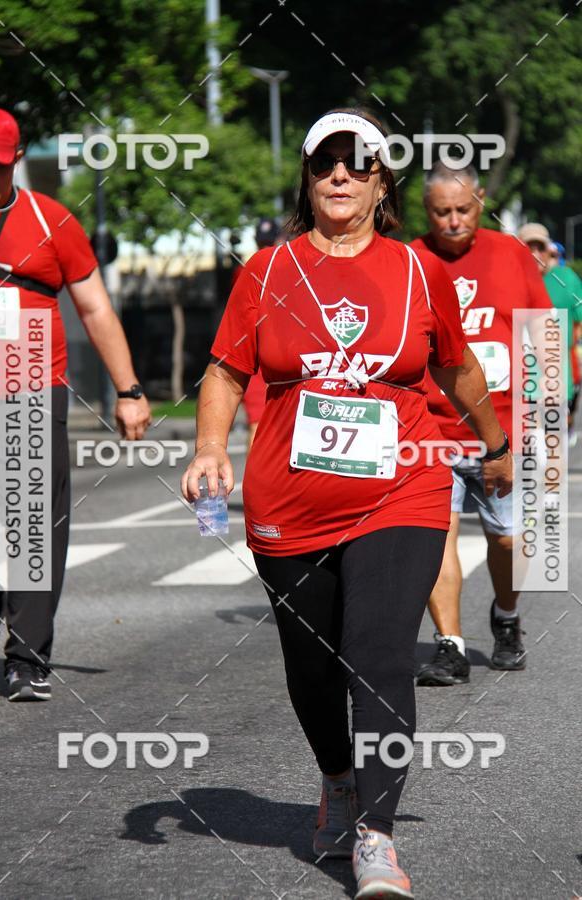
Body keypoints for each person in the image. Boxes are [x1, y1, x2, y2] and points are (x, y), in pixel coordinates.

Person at [182, 108, 511, 899]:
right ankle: (338, 777)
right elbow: (227, 372)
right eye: (325, 160)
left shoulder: (414, 270)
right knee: (313, 666)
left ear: (380, 180)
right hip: (287, 499)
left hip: (402, 488)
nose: (340, 174)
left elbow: (456, 366)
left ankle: (376, 835)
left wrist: (495, 443)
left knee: (381, 655)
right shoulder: (266, 270)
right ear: (307, 175)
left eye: (356, 162)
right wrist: (206, 450)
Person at [0, 107, 151, 700]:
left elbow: (96, 307)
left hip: (27, 382)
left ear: (17, 161)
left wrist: (128, 391)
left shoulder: (50, 220)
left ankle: (26, 659)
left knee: (30, 532)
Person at [412, 163, 551, 688]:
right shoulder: (412, 259)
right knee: (435, 537)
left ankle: (507, 615)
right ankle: (450, 646)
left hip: (501, 430)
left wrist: (546, 419)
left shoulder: (511, 253)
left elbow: (545, 336)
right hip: (428, 429)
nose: (452, 221)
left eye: (463, 210)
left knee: (509, 540)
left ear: (482, 201)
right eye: (440, 212)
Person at [519, 222, 582, 444]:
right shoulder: (510, 280)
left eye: (540, 247)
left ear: (549, 251)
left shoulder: (566, 279)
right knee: (527, 457)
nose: (535, 254)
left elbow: (579, 321)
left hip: (556, 378)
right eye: (529, 247)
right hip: (520, 382)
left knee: (553, 455)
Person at [234, 218, 282, 450]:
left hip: (279, 355)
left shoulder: (247, 269)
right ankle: (258, 483)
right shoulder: (247, 271)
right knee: (257, 423)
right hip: (260, 358)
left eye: (268, 242)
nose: (266, 247)